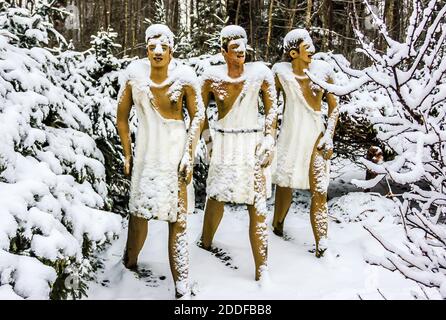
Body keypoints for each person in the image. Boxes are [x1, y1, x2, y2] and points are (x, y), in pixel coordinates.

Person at [116, 24, 204, 299]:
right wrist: (128, 154)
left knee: (177, 219)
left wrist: (189, 154)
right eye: (153, 46)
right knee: (139, 214)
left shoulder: (185, 77)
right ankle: (128, 265)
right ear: (146, 48)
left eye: (163, 47)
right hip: (146, 154)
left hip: (175, 157)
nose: (157, 52)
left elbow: (198, 116)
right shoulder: (134, 75)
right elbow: (121, 117)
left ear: (171, 49)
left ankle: (182, 285)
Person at [199, 25, 278, 282]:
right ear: (223, 51)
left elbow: (272, 111)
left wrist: (268, 140)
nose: (241, 50)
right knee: (216, 196)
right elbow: (198, 113)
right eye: (234, 47)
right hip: (224, 144)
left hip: (252, 144)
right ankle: (205, 243)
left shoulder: (261, 74)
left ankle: (262, 268)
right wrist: (208, 142)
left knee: (257, 205)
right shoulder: (211, 77)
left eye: (243, 45)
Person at [271, 29, 339, 258]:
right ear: (293, 52)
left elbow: (335, 107)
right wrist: (267, 137)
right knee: (284, 186)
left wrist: (329, 135)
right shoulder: (280, 73)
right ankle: (277, 225)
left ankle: (323, 245)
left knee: (319, 192)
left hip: (316, 140)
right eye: (306, 46)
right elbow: (271, 109)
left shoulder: (323, 72)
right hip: (290, 139)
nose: (312, 50)